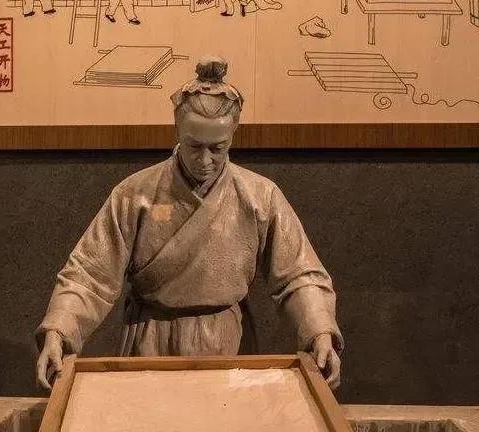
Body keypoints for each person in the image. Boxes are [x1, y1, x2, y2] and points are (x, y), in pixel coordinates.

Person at [36, 55, 343, 391]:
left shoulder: (260, 196)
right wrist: (59, 330)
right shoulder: (135, 194)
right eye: (194, 146)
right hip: (149, 341)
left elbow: (299, 275)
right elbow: (89, 273)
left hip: (226, 342)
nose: (205, 160)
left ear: (233, 136)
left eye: (217, 148)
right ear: (178, 130)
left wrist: (319, 331)